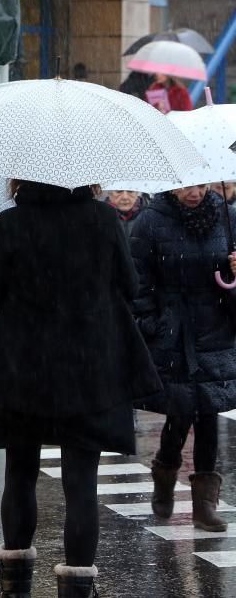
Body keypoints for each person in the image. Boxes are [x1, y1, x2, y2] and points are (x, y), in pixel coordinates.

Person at [0, 181, 160, 598]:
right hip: (87, 366)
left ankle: (14, 583)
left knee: (20, 472)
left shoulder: (10, 224)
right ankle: (77, 587)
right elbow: (130, 286)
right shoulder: (103, 218)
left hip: (23, 367)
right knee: (81, 481)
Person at [131, 185, 236, 533]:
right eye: (188, 186)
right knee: (180, 411)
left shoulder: (227, 217)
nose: (196, 192)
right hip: (173, 331)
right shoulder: (150, 221)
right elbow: (138, 282)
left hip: (214, 326)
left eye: (202, 185)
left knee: (208, 412)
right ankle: (165, 467)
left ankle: (205, 505)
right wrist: (153, 323)